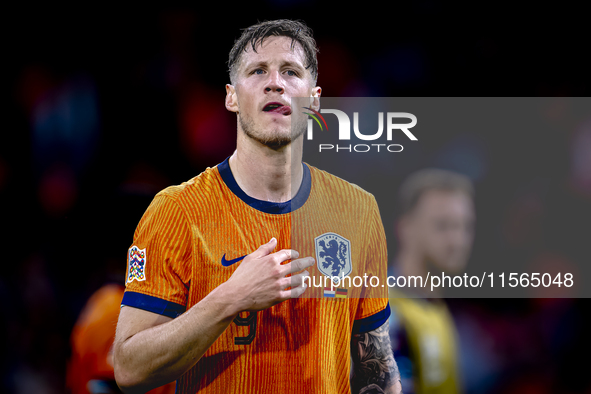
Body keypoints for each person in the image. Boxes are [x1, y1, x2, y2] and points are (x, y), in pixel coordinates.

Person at [113, 19, 401, 394]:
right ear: (231, 97)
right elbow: (129, 369)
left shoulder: (358, 210)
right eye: (258, 70)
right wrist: (232, 297)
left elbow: (376, 370)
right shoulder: (177, 211)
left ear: (314, 99)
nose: (275, 82)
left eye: (291, 72)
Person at [388, 169, 475, 393]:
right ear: (405, 228)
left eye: (466, 226)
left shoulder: (434, 306)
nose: (458, 240)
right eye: (443, 226)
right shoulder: (386, 313)